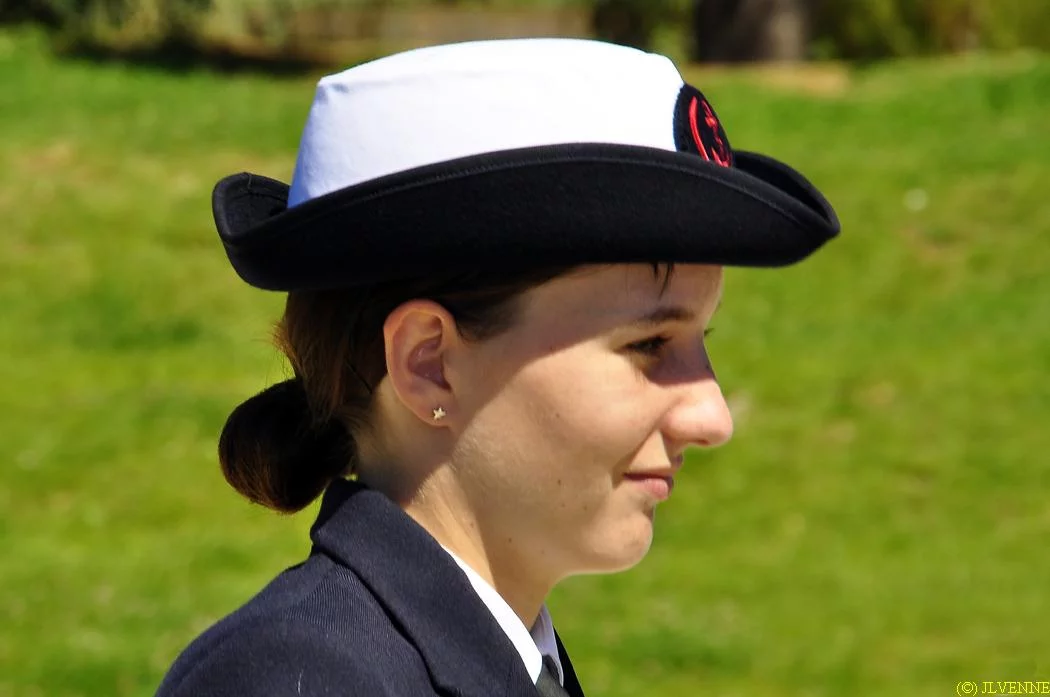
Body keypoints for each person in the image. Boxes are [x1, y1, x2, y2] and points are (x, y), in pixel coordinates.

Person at [155, 38, 839, 697]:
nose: (712, 416)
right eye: (648, 345)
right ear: (429, 364)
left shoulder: (491, 662)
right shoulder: (298, 682)